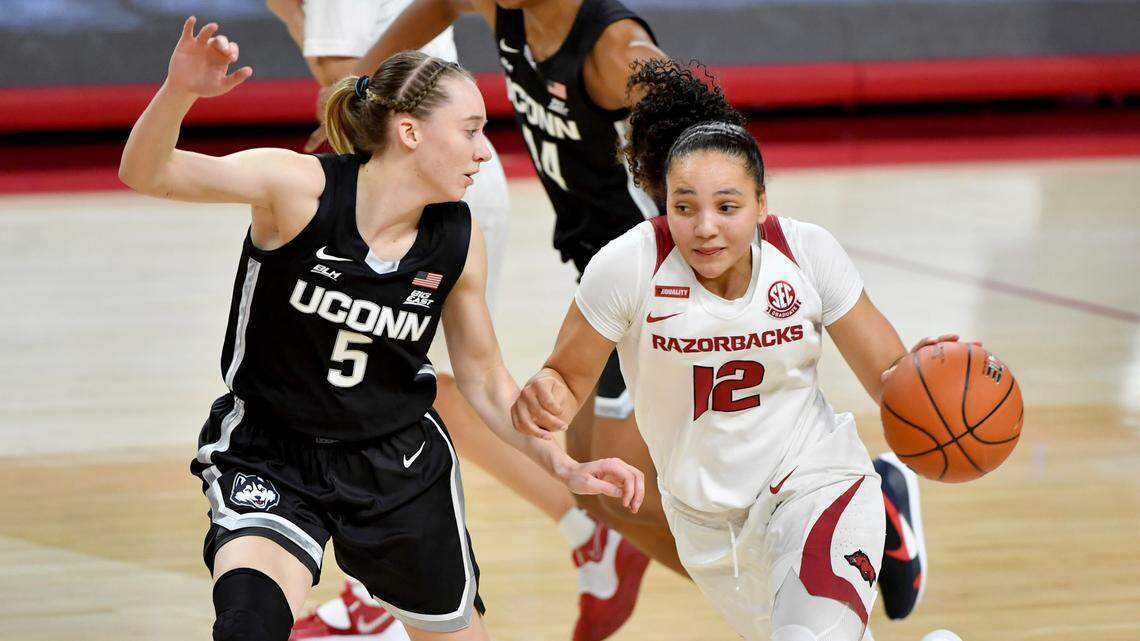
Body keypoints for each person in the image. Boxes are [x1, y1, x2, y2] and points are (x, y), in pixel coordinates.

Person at [312, 0, 930, 629]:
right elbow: (443, 2)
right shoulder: (511, 13)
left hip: (657, 282)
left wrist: (700, 199)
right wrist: (361, 85)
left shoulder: (612, 48)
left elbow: (694, 113)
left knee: (619, 490)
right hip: (599, 277)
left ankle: (846, 529)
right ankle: (810, 567)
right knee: (602, 495)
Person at [118, 18, 644, 641]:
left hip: (398, 464)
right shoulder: (297, 189)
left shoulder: (457, 237)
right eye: (471, 131)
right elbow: (146, 173)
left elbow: (482, 377)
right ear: (410, 131)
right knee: (247, 625)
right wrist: (178, 91)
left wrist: (562, 464)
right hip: (273, 452)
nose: (484, 151)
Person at [512, 59, 954, 641]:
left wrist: (923, 379)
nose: (705, 228)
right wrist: (545, 397)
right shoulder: (626, 268)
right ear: (662, 202)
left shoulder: (806, 254)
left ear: (761, 204)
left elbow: (889, 373)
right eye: (685, 206)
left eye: (727, 206)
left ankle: (883, 506)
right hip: (706, 527)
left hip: (816, 487)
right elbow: (565, 381)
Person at [265, 2, 654, 639]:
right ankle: (585, 528)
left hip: (422, 183)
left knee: (387, 393)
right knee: (435, 392)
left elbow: (340, 101)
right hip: (447, 175)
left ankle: (377, 596)